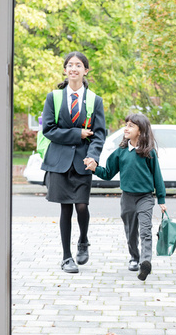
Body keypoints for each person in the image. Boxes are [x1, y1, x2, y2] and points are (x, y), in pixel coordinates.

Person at [41, 51, 106, 273]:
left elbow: (99, 134)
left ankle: (83, 240)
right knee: (66, 209)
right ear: (65, 70)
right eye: (70, 65)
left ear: (85, 70)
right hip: (59, 161)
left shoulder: (95, 100)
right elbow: (49, 130)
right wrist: (77, 134)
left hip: (83, 162)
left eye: (78, 65)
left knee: (82, 206)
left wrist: (94, 156)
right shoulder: (54, 98)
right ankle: (66, 257)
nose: (74, 69)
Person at [84, 113, 166, 281]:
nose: (126, 128)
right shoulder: (120, 152)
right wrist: (94, 168)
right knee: (131, 233)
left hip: (145, 198)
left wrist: (162, 200)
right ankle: (134, 257)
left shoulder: (149, 152)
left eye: (131, 125)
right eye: (126, 124)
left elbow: (157, 176)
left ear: (140, 131)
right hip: (127, 198)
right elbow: (107, 174)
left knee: (145, 231)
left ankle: (145, 262)